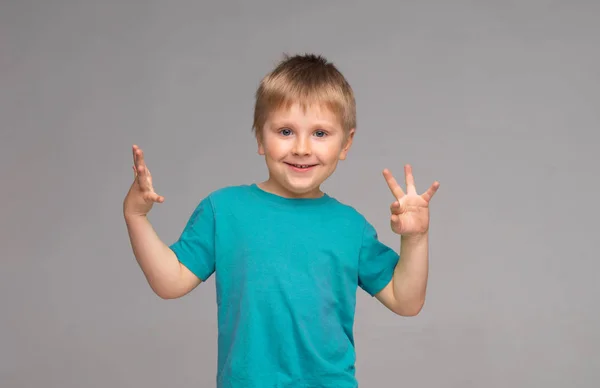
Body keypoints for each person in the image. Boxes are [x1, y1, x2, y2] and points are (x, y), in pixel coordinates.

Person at [123, 53, 440, 387]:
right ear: (260, 137)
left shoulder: (351, 227)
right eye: (286, 131)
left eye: (320, 133)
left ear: (345, 143)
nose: (302, 148)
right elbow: (169, 282)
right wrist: (136, 216)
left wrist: (415, 238)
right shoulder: (225, 210)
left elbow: (406, 302)